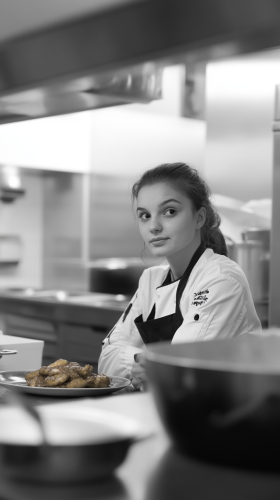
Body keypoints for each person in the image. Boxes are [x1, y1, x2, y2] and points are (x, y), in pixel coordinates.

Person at [98, 163, 262, 390]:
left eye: (169, 211)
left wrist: (149, 366)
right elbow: (106, 362)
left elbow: (181, 371)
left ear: (199, 218)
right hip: (174, 410)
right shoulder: (150, 280)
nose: (153, 226)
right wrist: (148, 364)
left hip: (230, 415)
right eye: (144, 215)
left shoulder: (221, 278)